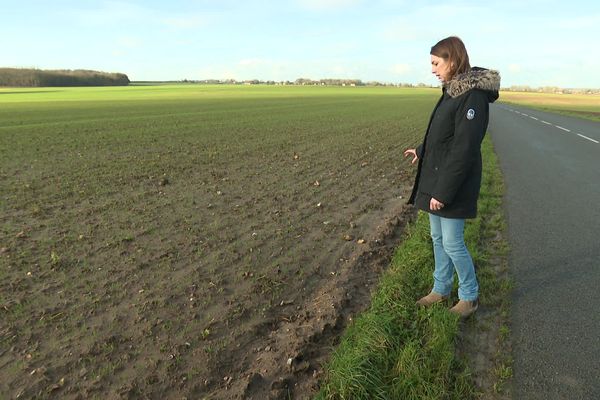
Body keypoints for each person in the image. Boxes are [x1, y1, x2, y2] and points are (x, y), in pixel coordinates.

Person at [403, 36, 500, 318]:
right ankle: (441, 288)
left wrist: (443, 192)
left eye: (436, 63)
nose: (432, 69)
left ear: (453, 60)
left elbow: (464, 148)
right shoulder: (453, 90)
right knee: (437, 238)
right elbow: (444, 135)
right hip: (438, 176)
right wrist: (422, 150)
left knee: (452, 242)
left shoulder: (473, 97)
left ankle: (469, 297)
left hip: (452, 183)